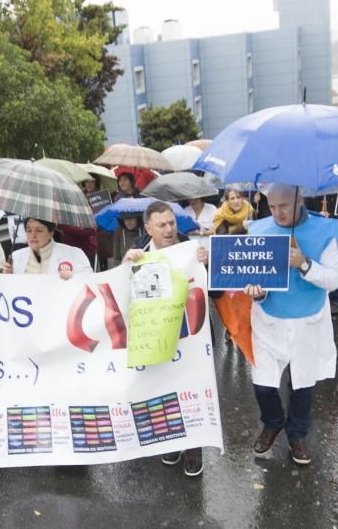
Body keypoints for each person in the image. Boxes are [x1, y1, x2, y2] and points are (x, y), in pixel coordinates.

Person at [242, 183, 338, 467]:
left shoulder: (325, 230)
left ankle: (297, 433)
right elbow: (255, 280)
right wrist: (258, 293)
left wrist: (304, 264)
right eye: (271, 207)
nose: (277, 213)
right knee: (262, 384)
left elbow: (334, 280)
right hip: (269, 319)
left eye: (283, 206)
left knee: (303, 384)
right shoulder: (259, 230)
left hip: (308, 319)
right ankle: (272, 423)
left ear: (299, 200)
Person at [122, 201, 210, 478]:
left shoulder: (190, 249)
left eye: (171, 223)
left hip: (189, 333)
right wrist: (125, 264)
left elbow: (214, 294)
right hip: (155, 334)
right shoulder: (138, 250)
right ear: (148, 228)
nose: (169, 229)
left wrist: (208, 264)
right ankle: (173, 442)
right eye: (162, 225)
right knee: (163, 390)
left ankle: (194, 448)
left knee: (190, 389)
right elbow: (120, 292)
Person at [2, 218, 92, 278]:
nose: (33, 235)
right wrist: (7, 278)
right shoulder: (16, 257)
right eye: (29, 230)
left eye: (39, 230)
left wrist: (72, 279)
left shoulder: (74, 254)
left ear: (51, 233)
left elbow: (88, 285)